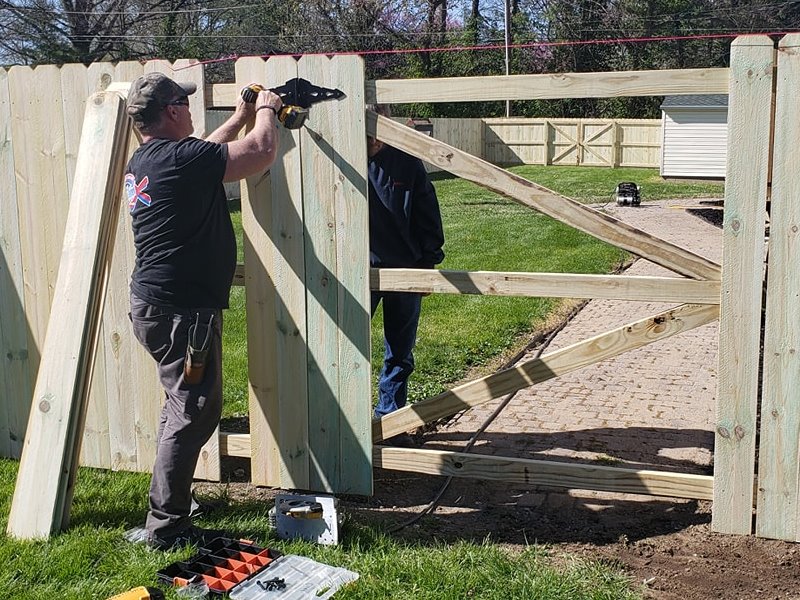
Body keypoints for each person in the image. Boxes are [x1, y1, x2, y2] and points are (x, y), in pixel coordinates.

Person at [124, 72, 283, 550]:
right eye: (184, 103)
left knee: (182, 408)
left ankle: (170, 507)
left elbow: (205, 153)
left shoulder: (152, 159)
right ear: (171, 111)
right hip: (181, 313)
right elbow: (260, 153)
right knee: (193, 411)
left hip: (161, 306)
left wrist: (236, 117)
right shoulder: (179, 159)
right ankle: (166, 527)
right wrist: (267, 111)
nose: (190, 110)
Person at [367, 104, 445, 424]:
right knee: (345, 347)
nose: (371, 140)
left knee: (399, 352)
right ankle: (347, 414)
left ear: (388, 125)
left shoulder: (407, 162)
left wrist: (428, 265)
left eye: (377, 131)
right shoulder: (343, 159)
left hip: (406, 270)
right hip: (359, 272)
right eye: (365, 130)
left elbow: (428, 214)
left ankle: (390, 416)